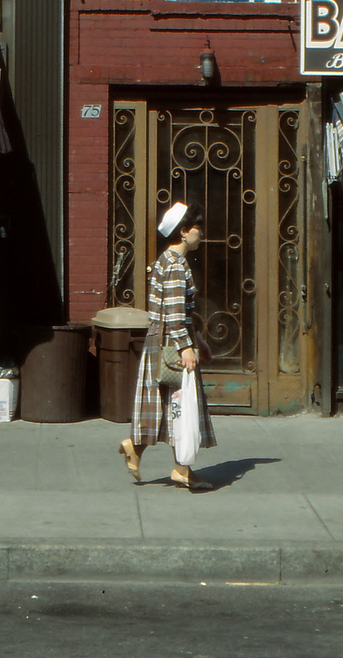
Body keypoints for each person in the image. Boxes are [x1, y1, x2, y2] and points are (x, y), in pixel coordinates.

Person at [119, 200, 217, 491]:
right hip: (170, 345)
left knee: (163, 405)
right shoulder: (175, 266)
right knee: (180, 404)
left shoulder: (169, 261)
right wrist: (187, 348)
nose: (202, 233)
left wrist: (198, 341)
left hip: (163, 343)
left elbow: (180, 315)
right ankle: (179, 468)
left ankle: (140, 451)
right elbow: (176, 316)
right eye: (198, 227)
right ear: (184, 232)